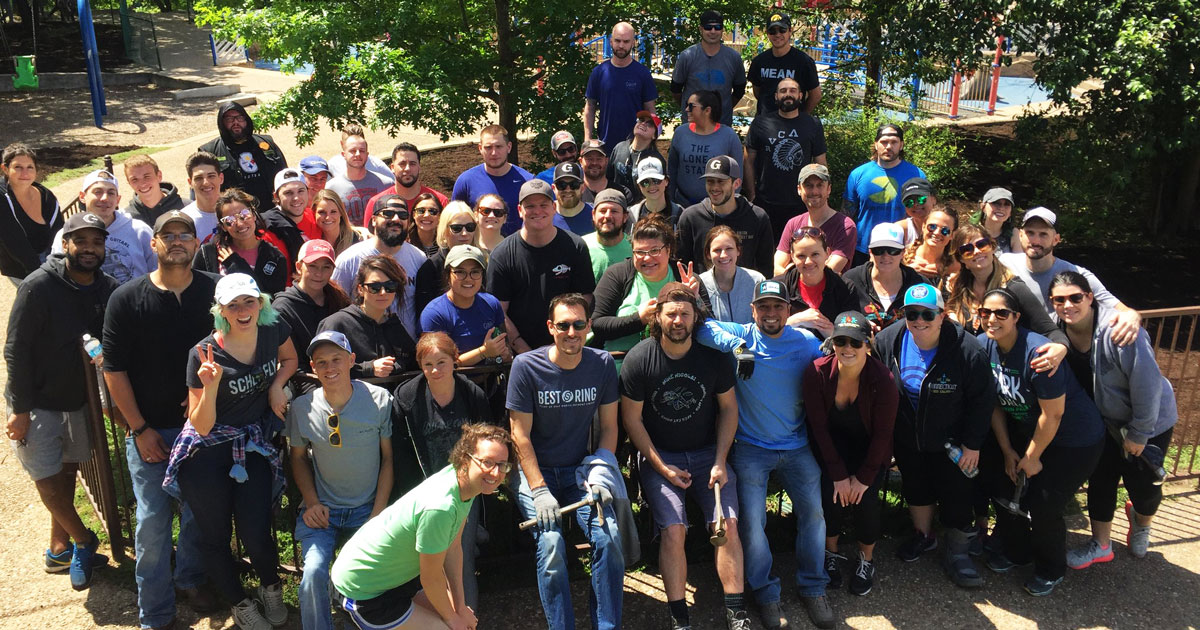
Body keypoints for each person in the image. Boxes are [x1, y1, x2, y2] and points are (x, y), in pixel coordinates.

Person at [102, 210, 219, 626]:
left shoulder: (215, 292)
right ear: (153, 244)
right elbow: (113, 369)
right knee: (152, 524)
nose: (177, 241)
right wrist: (138, 429)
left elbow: (236, 344)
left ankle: (189, 578)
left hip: (202, 427)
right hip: (151, 430)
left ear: (196, 243)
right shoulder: (126, 298)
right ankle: (155, 611)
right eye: (167, 235)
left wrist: (205, 398)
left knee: (198, 513)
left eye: (185, 234)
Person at [693, 279, 830, 630]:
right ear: (752, 310)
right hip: (751, 447)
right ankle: (766, 594)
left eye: (778, 306)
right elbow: (703, 329)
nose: (771, 313)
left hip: (796, 445)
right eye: (763, 306)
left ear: (788, 310)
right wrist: (737, 346)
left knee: (814, 515)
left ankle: (813, 587)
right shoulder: (742, 333)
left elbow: (830, 366)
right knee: (753, 522)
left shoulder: (805, 342)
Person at [165, 273, 297, 629]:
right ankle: (239, 602)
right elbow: (201, 425)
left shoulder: (273, 329)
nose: (242, 310)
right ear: (221, 311)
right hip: (206, 454)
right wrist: (210, 387)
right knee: (216, 536)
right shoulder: (204, 354)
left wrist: (277, 386)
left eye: (248, 301)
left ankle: (270, 586)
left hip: (250, 445)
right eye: (233, 305)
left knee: (256, 530)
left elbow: (289, 359)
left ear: (260, 303)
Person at [619, 284, 749, 630]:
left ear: (695, 318)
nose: (678, 321)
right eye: (671, 314)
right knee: (674, 530)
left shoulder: (713, 357)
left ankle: (737, 613)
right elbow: (631, 420)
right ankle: (679, 618)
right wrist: (662, 467)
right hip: (660, 456)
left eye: (685, 314)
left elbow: (729, 409)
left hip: (708, 454)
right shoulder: (639, 359)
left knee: (727, 525)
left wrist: (721, 460)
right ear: (658, 317)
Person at [6, 212, 118, 591]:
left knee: (67, 472)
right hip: (36, 401)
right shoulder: (38, 286)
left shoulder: (106, 289)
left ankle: (58, 550)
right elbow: (16, 349)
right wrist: (20, 409)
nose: (89, 248)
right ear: (65, 244)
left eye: (96, 242)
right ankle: (85, 541)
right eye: (80, 241)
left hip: (78, 400)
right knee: (47, 478)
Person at [975, 288, 1105, 597]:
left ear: (1016, 317)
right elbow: (994, 404)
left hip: (1075, 439)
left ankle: (1051, 569)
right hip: (1031, 432)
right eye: (985, 313)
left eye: (1001, 313)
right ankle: (1018, 553)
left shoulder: (1038, 353)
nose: (992, 319)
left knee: (1044, 504)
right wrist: (1007, 450)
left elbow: (1053, 414)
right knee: (1005, 488)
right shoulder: (983, 346)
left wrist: (1031, 457)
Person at [508, 293, 624, 630]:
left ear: (589, 326)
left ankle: (607, 626)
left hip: (580, 472)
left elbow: (610, 427)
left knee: (609, 537)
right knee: (552, 545)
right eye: (563, 325)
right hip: (535, 472)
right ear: (550, 327)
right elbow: (519, 435)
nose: (571, 332)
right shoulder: (526, 366)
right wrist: (539, 489)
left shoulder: (602, 364)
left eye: (578, 325)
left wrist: (601, 472)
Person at [1052, 271, 1179, 569]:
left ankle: (1141, 520)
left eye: (1075, 297)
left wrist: (1139, 432)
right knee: (1101, 479)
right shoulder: (1056, 329)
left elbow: (1147, 385)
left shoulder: (1118, 331)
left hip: (1148, 420)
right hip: (1102, 422)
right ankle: (1101, 544)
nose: (1068, 305)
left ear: (1090, 297)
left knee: (1144, 487)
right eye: (1059, 300)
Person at [872, 284, 996, 588]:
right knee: (916, 489)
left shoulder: (967, 349)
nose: (919, 320)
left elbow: (982, 401)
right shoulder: (889, 339)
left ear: (943, 315)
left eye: (928, 314)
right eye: (912, 313)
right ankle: (924, 536)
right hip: (908, 437)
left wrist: (972, 444)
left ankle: (958, 551)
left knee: (957, 495)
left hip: (952, 441)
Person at [330, 424, 511, 630]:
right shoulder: (441, 507)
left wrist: (460, 607)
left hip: (397, 580)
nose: (495, 472)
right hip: (362, 591)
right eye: (487, 462)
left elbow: (453, 549)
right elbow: (431, 578)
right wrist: (453, 619)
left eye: (502, 465)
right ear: (465, 459)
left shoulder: (466, 486)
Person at [287, 330, 394, 630]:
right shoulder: (302, 408)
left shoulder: (379, 400)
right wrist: (311, 503)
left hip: (367, 508)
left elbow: (388, 459)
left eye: (336, 359)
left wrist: (378, 514)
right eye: (321, 362)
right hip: (323, 510)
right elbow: (297, 458)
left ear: (351, 360)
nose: (330, 367)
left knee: (375, 576)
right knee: (313, 574)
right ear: (312, 367)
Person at [391, 332, 494, 608]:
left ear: (454, 360)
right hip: (426, 492)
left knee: (460, 561)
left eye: (441, 362)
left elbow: (489, 442)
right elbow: (401, 454)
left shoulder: (472, 395)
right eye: (428, 365)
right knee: (429, 561)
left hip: (465, 491)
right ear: (420, 366)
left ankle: (466, 618)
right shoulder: (407, 398)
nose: (435, 370)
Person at [802, 311, 897, 597]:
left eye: (856, 342)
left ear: (868, 344)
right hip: (832, 447)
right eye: (840, 341)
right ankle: (830, 553)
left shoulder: (883, 379)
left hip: (870, 449)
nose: (847, 348)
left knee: (865, 501)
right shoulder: (817, 372)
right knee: (830, 496)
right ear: (832, 343)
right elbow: (818, 428)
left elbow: (883, 434)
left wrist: (863, 478)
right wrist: (839, 475)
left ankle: (866, 559)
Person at [998, 207, 1143, 341]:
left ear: (1056, 239)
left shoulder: (1075, 274)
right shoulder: (1005, 263)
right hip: (1015, 346)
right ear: (1021, 235)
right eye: (1030, 233)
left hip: (1057, 347)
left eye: (1043, 234)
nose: (1035, 241)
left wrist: (1132, 316)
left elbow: (1117, 306)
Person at [486, 179, 596, 354]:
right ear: (520, 210)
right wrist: (525, 352)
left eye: (543, 205)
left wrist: (562, 342)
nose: (537, 211)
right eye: (530, 206)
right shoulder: (502, 255)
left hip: (567, 347)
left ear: (554, 207)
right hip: (520, 353)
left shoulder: (575, 246)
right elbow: (498, 311)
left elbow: (586, 297)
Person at [944, 223, 1070, 372]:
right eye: (967, 250)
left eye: (982, 244)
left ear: (992, 247)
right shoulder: (958, 288)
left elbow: (1050, 330)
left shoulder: (1014, 288)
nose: (976, 252)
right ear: (961, 260)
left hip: (1009, 372)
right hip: (970, 371)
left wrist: (1061, 347)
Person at [593, 214, 707, 357]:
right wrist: (639, 319)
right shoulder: (617, 274)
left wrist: (695, 301)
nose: (647, 258)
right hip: (621, 359)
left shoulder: (686, 278)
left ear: (668, 250)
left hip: (676, 362)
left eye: (654, 251)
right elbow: (597, 324)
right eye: (640, 252)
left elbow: (709, 327)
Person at [331, 195, 428, 339]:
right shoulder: (349, 259)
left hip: (407, 346)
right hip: (363, 344)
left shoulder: (419, 258)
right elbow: (335, 305)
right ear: (373, 220)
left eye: (402, 215)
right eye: (388, 213)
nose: (396, 219)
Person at [744, 77, 828, 239]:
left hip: (801, 202)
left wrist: (822, 197)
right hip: (765, 202)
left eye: (792, 91)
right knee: (766, 250)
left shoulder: (813, 124)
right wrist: (751, 194)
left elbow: (821, 163)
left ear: (801, 96)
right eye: (783, 91)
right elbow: (748, 160)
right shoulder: (761, 123)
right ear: (776, 96)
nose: (787, 94)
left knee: (799, 248)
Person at [51, 170, 157, 285]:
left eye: (111, 193)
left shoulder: (140, 231)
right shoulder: (67, 233)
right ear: (82, 196)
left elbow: (157, 270)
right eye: (98, 192)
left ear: (118, 199)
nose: (105, 198)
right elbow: (57, 275)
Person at [319, 255, 417, 378]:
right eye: (374, 287)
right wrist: (368, 368)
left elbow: (414, 362)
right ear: (360, 289)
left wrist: (395, 366)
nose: (383, 292)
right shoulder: (337, 324)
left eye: (390, 286)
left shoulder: (393, 325)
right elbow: (322, 367)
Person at [677, 155, 773, 277]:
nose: (715, 187)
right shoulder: (691, 217)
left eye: (721, 181)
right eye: (710, 181)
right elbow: (682, 263)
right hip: (701, 288)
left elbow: (765, 267)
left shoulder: (757, 217)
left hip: (747, 288)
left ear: (736, 183)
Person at [844, 124, 926, 266]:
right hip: (863, 249)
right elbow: (847, 215)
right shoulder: (858, 174)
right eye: (884, 142)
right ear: (876, 144)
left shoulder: (916, 175)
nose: (888, 146)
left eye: (894, 142)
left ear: (901, 145)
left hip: (902, 249)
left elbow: (924, 214)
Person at [419, 245, 510, 366]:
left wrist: (504, 355)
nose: (468, 279)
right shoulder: (434, 314)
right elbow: (435, 365)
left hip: (491, 377)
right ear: (447, 275)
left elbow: (506, 349)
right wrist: (484, 352)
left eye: (475, 272)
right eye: (460, 272)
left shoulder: (492, 304)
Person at [273, 240, 352, 376]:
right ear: (299, 267)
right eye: (312, 266)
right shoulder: (282, 308)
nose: (319, 273)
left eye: (326, 267)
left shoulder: (339, 298)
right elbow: (291, 364)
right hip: (304, 381)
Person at [192, 188, 290, 294]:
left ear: (254, 215)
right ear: (223, 226)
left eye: (244, 214)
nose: (239, 224)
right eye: (229, 220)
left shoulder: (275, 257)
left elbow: (270, 299)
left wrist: (235, 265)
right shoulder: (208, 253)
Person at [198, 102, 287, 212]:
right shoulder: (210, 151)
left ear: (246, 120)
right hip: (236, 216)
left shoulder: (266, 143)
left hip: (272, 211)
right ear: (222, 123)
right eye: (229, 119)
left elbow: (284, 175)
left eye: (240, 118)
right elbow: (201, 188)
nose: (236, 122)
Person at [774, 227, 861, 338]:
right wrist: (795, 320)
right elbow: (763, 331)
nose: (808, 262)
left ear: (827, 253)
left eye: (815, 254)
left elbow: (853, 337)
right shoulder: (778, 287)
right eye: (801, 256)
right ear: (792, 257)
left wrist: (832, 333)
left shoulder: (845, 288)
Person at [584, 21, 658, 152]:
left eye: (626, 41)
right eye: (617, 41)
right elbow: (590, 107)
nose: (621, 45)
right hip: (605, 146)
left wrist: (651, 141)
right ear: (611, 42)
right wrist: (588, 139)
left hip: (636, 146)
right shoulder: (599, 73)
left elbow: (651, 111)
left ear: (633, 43)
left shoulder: (643, 74)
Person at [773, 164, 856, 276]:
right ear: (799, 190)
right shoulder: (793, 224)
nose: (814, 191)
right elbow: (777, 271)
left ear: (829, 189)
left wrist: (790, 270)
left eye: (820, 185)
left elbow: (825, 275)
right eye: (809, 185)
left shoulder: (845, 227)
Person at [451, 124, 533, 236]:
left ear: (509, 147)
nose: (494, 153)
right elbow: (454, 220)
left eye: (499, 146)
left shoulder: (527, 181)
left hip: (517, 245)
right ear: (480, 148)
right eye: (488, 147)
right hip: (478, 246)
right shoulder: (466, 181)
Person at [667, 90, 744, 207]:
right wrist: (670, 199)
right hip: (683, 203)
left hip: (716, 207)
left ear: (707, 110)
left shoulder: (729, 136)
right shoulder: (680, 133)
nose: (687, 109)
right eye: (686, 105)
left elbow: (737, 174)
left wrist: (730, 204)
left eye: (691, 106)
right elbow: (672, 169)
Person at [842, 224, 925, 330]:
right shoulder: (851, 280)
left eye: (893, 250)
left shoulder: (919, 284)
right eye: (879, 250)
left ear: (903, 252)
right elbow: (839, 316)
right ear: (870, 252)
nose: (886, 256)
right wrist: (859, 324)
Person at [672, 9, 747, 127]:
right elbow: (676, 90)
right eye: (708, 27)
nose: (713, 31)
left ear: (722, 30)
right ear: (701, 29)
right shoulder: (687, 56)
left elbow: (739, 90)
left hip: (721, 125)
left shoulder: (734, 58)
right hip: (692, 125)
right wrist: (691, 109)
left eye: (717, 27)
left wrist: (721, 108)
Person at [0, 143, 62, 282]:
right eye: (18, 167)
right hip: (22, 267)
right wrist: (40, 277)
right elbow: (14, 243)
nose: (25, 173)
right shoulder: (2, 198)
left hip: (51, 259)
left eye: (30, 167)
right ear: (5, 169)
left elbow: (59, 231)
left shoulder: (46, 196)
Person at [412, 201, 484, 315]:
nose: (464, 233)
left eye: (470, 227)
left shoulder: (483, 260)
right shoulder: (430, 268)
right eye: (456, 228)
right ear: (444, 231)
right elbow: (425, 314)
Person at [747, 12, 821, 115]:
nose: (777, 34)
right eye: (772, 31)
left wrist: (802, 117)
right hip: (765, 121)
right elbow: (758, 93)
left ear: (790, 31)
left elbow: (816, 95)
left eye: (782, 30)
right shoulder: (759, 61)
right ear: (767, 33)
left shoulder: (804, 62)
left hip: (793, 122)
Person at [362, 142, 449, 226]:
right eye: (402, 164)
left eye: (412, 164)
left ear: (419, 167)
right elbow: (368, 235)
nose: (407, 169)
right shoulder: (376, 203)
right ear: (392, 167)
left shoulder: (440, 202)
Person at [326, 124, 394, 226]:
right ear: (343, 154)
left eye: (361, 151)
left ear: (367, 154)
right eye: (352, 151)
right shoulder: (331, 188)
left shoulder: (386, 184)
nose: (357, 154)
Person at [699, 225, 765, 324]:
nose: (723, 255)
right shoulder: (700, 283)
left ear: (738, 250)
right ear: (708, 254)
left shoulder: (757, 280)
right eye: (717, 250)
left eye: (729, 248)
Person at [608, 110, 665, 204]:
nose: (643, 123)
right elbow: (608, 177)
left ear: (654, 136)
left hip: (640, 208)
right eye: (641, 120)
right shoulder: (619, 147)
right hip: (616, 204)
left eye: (650, 124)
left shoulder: (656, 160)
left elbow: (660, 189)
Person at [262, 168, 315, 264]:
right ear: (276, 197)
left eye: (300, 191)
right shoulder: (267, 228)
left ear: (307, 192)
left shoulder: (316, 217)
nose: (296, 198)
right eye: (288, 193)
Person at [582, 189, 633, 283]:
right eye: (603, 211)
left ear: (625, 217)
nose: (608, 216)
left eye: (614, 211)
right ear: (593, 215)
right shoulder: (581, 246)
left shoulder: (635, 249)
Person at [901, 205, 959, 284]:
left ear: (952, 235)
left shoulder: (956, 266)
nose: (937, 233)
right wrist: (906, 272)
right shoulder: (900, 257)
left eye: (945, 230)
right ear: (923, 226)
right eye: (932, 226)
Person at [122, 154, 184, 226]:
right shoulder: (126, 219)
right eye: (134, 179)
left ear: (159, 176)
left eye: (147, 176)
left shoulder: (185, 208)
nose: (142, 184)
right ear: (129, 182)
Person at [181, 151, 226, 243]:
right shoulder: (184, 220)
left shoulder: (236, 213)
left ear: (221, 178)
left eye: (211, 176)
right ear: (190, 183)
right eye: (198, 178)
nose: (206, 183)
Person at [628, 157, 684, 230]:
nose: (651, 186)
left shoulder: (681, 214)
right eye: (645, 182)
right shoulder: (631, 215)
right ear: (639, 186)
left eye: (656, 180)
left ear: (666, 181)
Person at [310, 190, 363, 256]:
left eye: (333, 212)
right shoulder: (309, 240)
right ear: (314, 212)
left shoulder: (357, 240)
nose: (328, 217)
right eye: (322, 212)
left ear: (341, 212)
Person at [889, 177, 938, 247]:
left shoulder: (945, 227)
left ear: (933, 199)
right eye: (909, 202)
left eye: (921, 199)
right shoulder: (899, 229)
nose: (915, 204)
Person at [550, 161, 594, 235]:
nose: (568, 190)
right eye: (561, 185)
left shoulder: (596, 214)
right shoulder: (543, 215)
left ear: (583, 188)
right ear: (554, 188)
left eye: (574, 184)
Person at [974, 187, 1018, 253]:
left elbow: (1019, 258)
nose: (1001, 208)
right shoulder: (971, 232)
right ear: (983, 207)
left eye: (1006, 204)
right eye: (996, 203)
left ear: (1010, 212)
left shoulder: (1014, 234)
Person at [580, 140, 624, 204]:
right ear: (581, 161)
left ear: (606, 161)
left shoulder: (622, 192)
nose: (594, 163)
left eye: (599, 159)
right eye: (590, 159)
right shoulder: (573, 192)